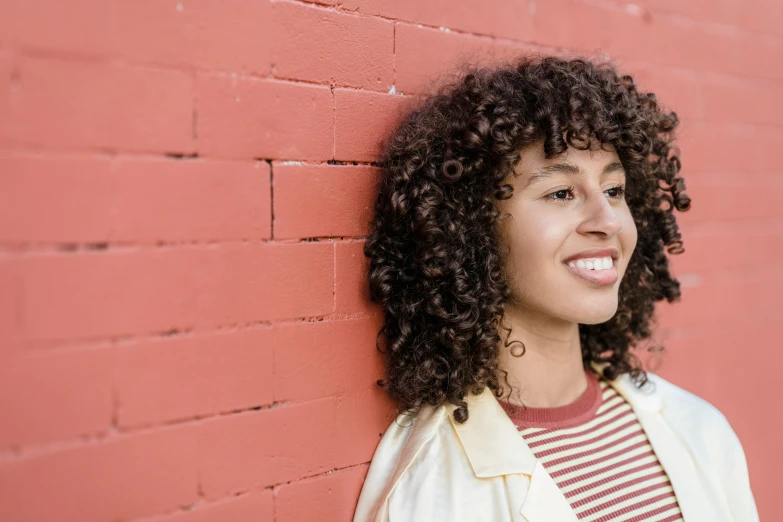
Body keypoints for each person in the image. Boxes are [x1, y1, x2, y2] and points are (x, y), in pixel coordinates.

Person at [353, 54, 760, 522]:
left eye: (613, 190)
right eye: (561, 193)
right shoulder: (432, 487)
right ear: (472, 228)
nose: (607, 222)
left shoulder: (700, 433)